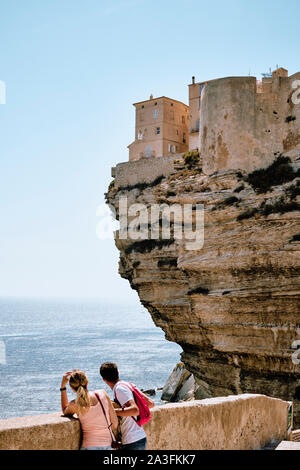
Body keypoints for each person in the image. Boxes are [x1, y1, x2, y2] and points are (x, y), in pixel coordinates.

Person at [100, 362, 155, 450]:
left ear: (103, 379)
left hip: (131, 441)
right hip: (140, 437)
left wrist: (111, 412)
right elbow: (150, 403)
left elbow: (135, 410)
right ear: (118, 373)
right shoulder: (129, 385)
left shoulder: (119, 389)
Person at [60, 369, 118, 450]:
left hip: (89, 446)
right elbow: (114, 423)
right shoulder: (102, 393)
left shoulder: (75, 404)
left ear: (71, 387)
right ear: (87, 382)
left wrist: (63, 387)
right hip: (109, 445)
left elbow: (65, 410)